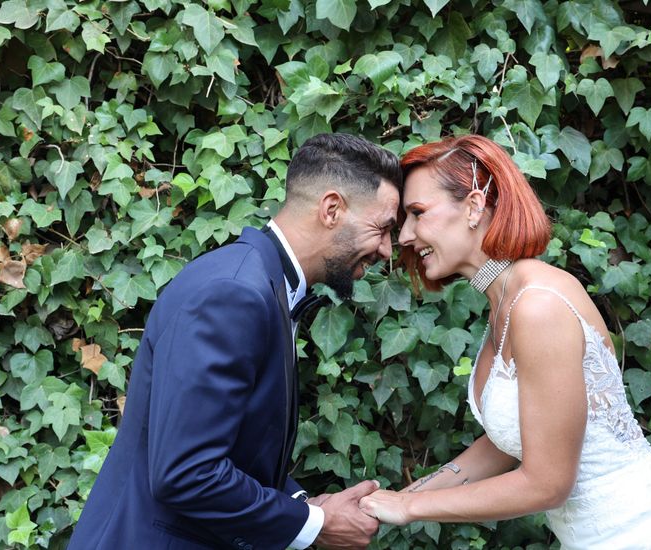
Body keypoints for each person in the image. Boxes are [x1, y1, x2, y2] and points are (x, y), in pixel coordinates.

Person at [358, 135, 651, 549]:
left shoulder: (538, 306)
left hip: (648, 532)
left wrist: (409, 510)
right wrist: (403, 497)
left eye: (417, 213)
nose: (404, 236)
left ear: (474, 206)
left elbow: (547, 485)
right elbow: (504, 445)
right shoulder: (506, 302)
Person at [68, 133, 402, 550]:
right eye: (382, 228)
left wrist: (306, 505)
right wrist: (313, 526)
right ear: (331, 209)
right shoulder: (234, 293)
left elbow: (237, 448)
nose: (387, 250)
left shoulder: (261, 283)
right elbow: (187, 472)